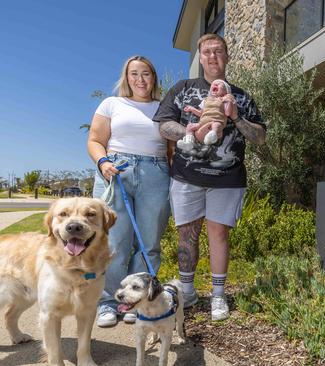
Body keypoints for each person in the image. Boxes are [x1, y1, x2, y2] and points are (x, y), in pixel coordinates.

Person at [153, 33, 266, 321]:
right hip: (186, 175)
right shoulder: (183, 88)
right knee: (187, 233)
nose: (212, 56)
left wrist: (237, 117)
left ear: (227, 57)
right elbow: (164, 125)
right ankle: (188, 291)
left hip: (228, 179)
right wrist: (190, 132)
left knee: (219, 234)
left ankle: (217, 296)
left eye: (218, 51)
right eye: (206, 52)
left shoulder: (241, 96)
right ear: (200, 57)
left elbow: (260, 137)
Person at [87, 55, 171, 327]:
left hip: (155, 173)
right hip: (116, 171)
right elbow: (95, 140)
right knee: (114, 244)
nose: (140, 79)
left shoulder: (163, 107)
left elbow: (170, 149)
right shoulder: (112, 104)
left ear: (153, 77)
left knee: (149, 243)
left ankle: (137, 302)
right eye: (134, 74)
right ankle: (109, 303)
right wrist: (103, 162)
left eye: (145, 73)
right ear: (126, 78)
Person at [176, 78, 231, 153]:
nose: (215, 84)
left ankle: (212, 135)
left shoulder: (223, 100)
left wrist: (229, 101)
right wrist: (192, 109)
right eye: (213, 84)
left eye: (219, 84)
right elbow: (201, 113)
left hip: (216, 120)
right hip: (203, 122)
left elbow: (228, 113)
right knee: (190, 127)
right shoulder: (206, 100)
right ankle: (189, 143)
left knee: (216, 125)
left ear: (226, 91)